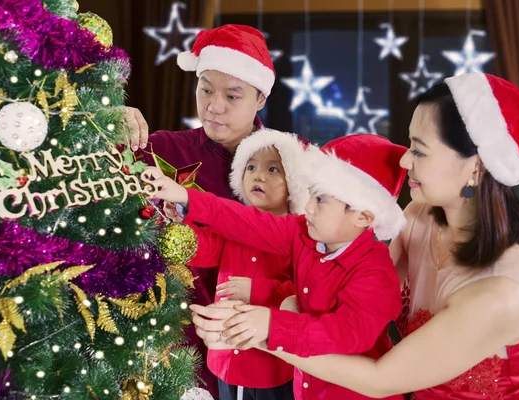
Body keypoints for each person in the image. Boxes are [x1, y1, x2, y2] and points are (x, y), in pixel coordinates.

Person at [194, 73, 519, 399]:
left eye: (419, 150)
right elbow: (347, 297)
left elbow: (380, 379)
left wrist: (259, 332)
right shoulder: (420, 217)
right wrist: (276, 305)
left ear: (475, 168)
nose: (404, 161)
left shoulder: (503, 293)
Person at [145, 134, 408, 400]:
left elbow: (348, 333)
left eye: (321, 200)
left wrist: (270, 324)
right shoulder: (303, 233)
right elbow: (241, 221)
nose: (308, 206)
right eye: (312, 195)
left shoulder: (375, 272)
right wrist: (185, 197)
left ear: (363, 216)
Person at [124, 24, 277, 398]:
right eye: (205, 88)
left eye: (232, 95)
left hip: (259, 346)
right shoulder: (161, 150)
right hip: (169, 342)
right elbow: (84, 156)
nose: (214, 106)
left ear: (260, 99)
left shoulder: (286, 162)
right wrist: (112, 118)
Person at [175, 129, 308, 400]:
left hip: (269, 365)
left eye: (273, 169)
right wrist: (181, 228)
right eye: (251, 167)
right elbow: (206, 249)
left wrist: (257, 291)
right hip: (225, 356)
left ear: (294, 182)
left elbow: (303, 295)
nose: (258, 176)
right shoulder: (235, 225)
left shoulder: (298, 234)